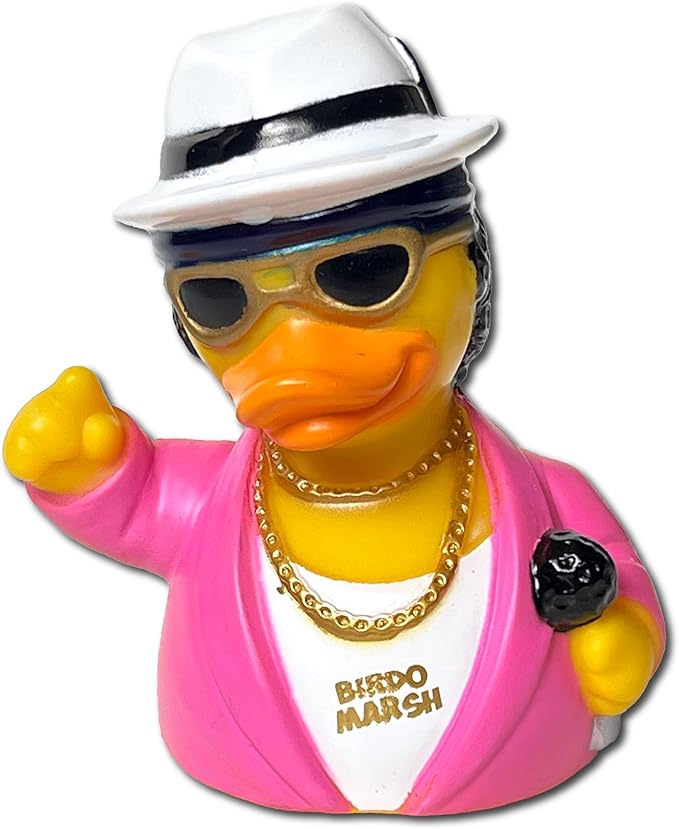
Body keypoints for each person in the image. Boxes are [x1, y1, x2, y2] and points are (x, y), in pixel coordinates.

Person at [2, 5, 664, 815]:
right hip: (240, 771)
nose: (292, 352)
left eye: (361, 273)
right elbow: (139, 500)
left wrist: (622, 635)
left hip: (521, 768)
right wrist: (89, 471)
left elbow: (615, 580)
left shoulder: (551, 497)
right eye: (220, 300)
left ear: (469, 266)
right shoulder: (209, 501)